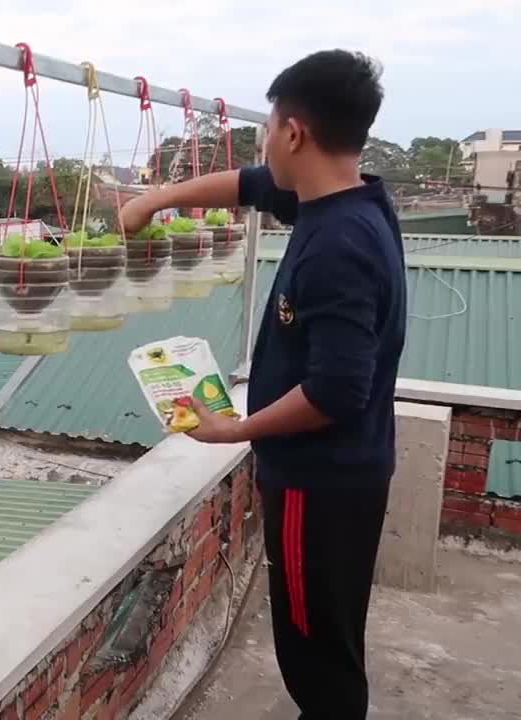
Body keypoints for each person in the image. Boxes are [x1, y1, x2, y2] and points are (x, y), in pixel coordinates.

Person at [119, 50, 405, 719]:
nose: (264, 142)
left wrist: (236, 429)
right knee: (329, 634)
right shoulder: (345, 200)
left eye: (268, 128)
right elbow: (249, 185)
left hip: (320, 482)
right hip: (342, 474)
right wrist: (156, 200)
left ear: (295, 133)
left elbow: (337, 392)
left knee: (315, 652)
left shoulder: (340, 246)